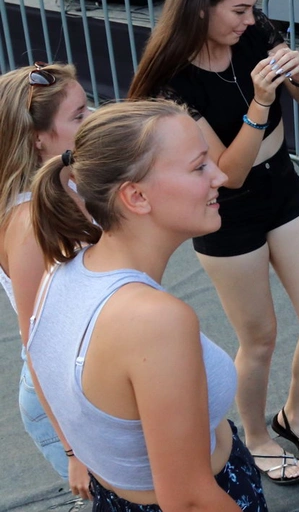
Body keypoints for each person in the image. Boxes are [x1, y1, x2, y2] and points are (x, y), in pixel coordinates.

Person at [127, 0, 299, 485]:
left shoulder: (254, 32)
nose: (251, 21)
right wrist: (262, 103)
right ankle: (256, 434)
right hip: (226, 208)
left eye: (253, 10)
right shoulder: (172, 83)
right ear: (201, 8)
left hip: (283, 187)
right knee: (260, 336)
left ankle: (296, 414)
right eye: (239, 12)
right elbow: (230, 172)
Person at [25, 100, 268, 511]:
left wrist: (77, 454)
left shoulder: (64, 266)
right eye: (199, 167)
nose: (220, 176)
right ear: (135, 196)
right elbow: (189, 501)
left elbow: (36, 362)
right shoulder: (155, 321)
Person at [0, 63, 90, 499]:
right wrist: (73, 452)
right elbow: (41, 342)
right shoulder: (30, 222)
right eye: (78, 115)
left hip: (93, 378)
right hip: (64, 399)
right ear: (39, 139)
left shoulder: (68, 185)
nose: (91, 120)